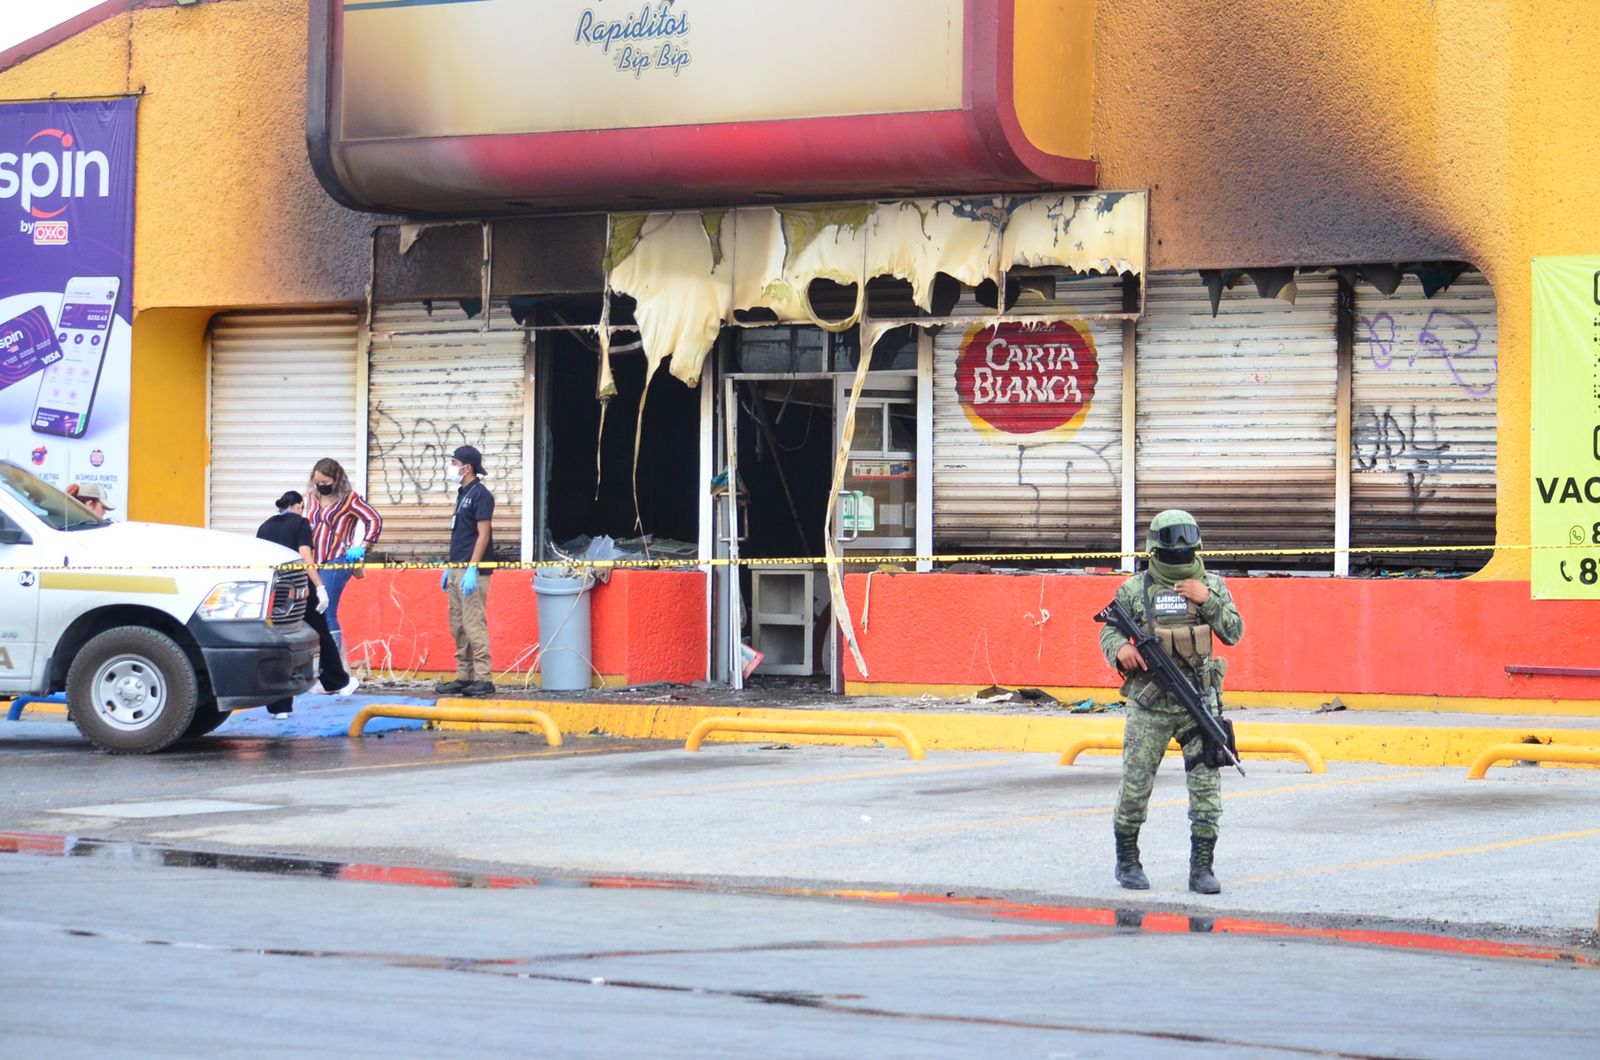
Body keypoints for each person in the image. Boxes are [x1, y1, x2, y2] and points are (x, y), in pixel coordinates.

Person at [1100, 510, 1244, 895]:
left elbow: (1234, 633)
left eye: (1186, 546)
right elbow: (1109, 632)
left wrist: (1207, 600)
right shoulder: (1135, 589)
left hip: (1198, 702)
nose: (1179, 553)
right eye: (1172, 547)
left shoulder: (1211, 584)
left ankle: (1202, 868)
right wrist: (1120, 651)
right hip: (1150, 703)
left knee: (1206, 789)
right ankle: (1127, 860)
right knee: (1136, 785)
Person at [257, 491, 359, 716]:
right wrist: (319, 586)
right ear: (300, 505)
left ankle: (279, 708)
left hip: (273, 589)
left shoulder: (264, 526)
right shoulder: (301, 523)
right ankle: (338, 683)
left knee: (279, 642)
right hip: (299, 587)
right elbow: (305, 556)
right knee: (321, 634)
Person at [304, 457, 383, 652]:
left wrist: (363, 546)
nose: (320, 485)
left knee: (327, 611)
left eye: (325, 482)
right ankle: (320, 659)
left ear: (336, 479)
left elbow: (374, 519)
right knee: (312, 612)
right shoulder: (311, 497)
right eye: (317, 482)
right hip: (314, 561)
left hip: (337, 560)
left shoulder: (349, 499)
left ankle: (336, 661)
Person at [436, 445, 495, 698]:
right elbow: (462, 535)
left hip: (473, 571)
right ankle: (464, 676)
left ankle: (483, 678)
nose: (450, 467)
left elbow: (483, 534)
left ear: (467, 467)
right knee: (458, 626)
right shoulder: (462, 493)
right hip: (457, 568)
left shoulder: (481, 495)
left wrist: (472, 566)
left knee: (473, 625)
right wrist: (451, 566)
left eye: (454, 463)